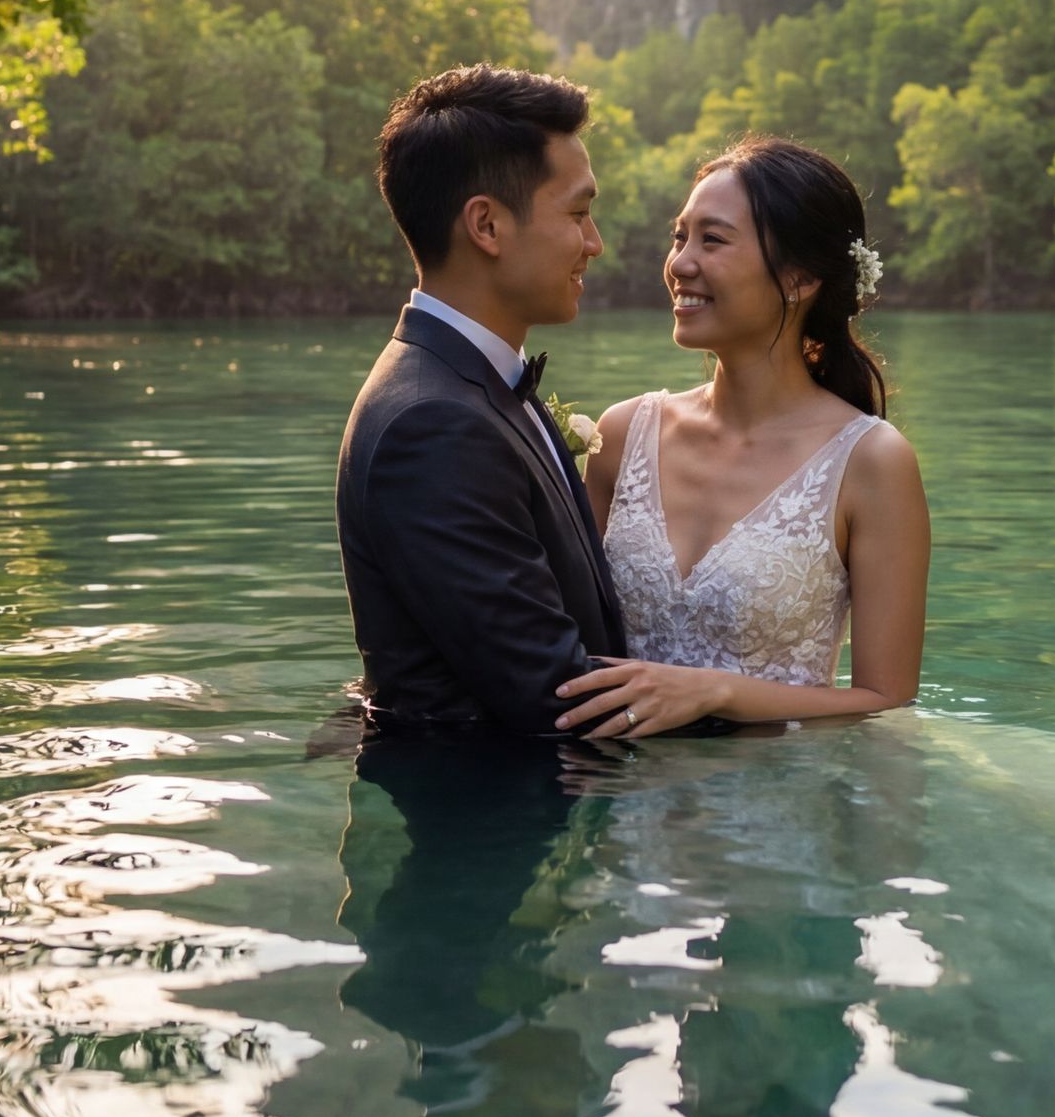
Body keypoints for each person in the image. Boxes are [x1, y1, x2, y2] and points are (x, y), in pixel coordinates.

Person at [558, 136, 931, 737]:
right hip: (621, 804)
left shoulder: (871, 461)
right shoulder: (622, 435)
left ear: (800, 278)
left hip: (776, 808)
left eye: (713, 239)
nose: (680, 263)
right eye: (680, 237)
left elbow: (885, 700)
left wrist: (719, 692)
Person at [335, 66, 624, 735]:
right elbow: (558, 697)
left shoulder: (472, 383)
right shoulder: (432, 424)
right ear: (487, 225)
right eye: (578, 213)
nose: (595, 243)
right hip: (498, 826)